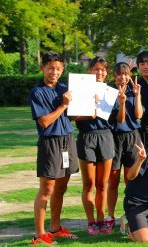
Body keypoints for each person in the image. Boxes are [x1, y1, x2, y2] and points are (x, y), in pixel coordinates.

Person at [29, 51, 79, 244]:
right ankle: (39, 234)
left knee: (61, 188)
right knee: (47, 189)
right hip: (50, 142)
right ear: (43, 68)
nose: (54, 72)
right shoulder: (37, 92)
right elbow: (45, 122)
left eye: (58, 68)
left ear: (62, 69)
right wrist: (63, 106)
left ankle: (55, 228)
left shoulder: (65, 89)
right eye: (50, 68)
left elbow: (73, 116)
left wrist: (91, 104)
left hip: (67, 140)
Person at [74, 57, 115, 235]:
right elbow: (74, 116)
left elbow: (116, 118)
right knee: (89, 184)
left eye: (103, 69)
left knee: (102, 184)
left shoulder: (110, 91)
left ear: (107, 72)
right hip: (86, 137)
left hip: (105, 136)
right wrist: (89, 110)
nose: (99, 72)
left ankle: (102, 219)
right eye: (96, 69)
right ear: (90, 70)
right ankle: (91, 222)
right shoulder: (79, 89)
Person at [107, 62, 143, 231]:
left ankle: (131, 213)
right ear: (114, 76)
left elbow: (138, 115)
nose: (123, 77)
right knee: (113, 180)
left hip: (133, 137)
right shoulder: (109, 93)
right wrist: (121, 102)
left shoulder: (133, 90)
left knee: (132, 179)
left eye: (126, 74)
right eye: (119, 74)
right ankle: (110, 215)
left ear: (130, 75)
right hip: (115, 138)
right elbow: (120, 120)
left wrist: (137, 95)